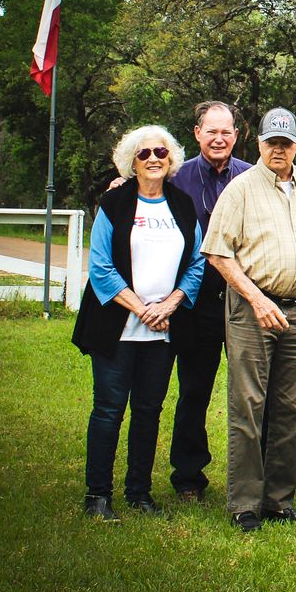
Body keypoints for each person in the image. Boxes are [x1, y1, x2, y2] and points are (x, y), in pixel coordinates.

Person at [201, 107, 296, 532]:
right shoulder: (239, 189)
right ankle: (245, 504)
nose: (279, 148)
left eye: (286, 142)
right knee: (249, 405)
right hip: (253, 308)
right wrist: (257, 300)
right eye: (272, 141)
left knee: (292, 409)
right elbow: (218, 252)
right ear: (258, 143)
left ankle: (278, 499)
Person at [72, 125, 205, 521]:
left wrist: (170, 304)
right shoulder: (114, 204)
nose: (153, 159)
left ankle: (140, 493)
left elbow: (197, 263)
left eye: (161, 153)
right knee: (109, 410)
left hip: (162, 332)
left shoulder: (182, 206)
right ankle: (97, 496)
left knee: (149, 411)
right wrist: (141, 308)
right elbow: (100, 267)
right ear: (132, 161)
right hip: (118, 328)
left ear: (171, 159)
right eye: (144, 153)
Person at [167, 101, 252, 502]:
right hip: (195, 301)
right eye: (211, 131)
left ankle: (254, 475)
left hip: (244, 298)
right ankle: (188, 476)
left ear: (237, 135)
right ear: (197, 132)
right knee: (195, 390)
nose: (219, 138)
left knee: (252, 393)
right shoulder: (177, 178)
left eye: (227, 131)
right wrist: (120, 184)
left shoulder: (254, 177)